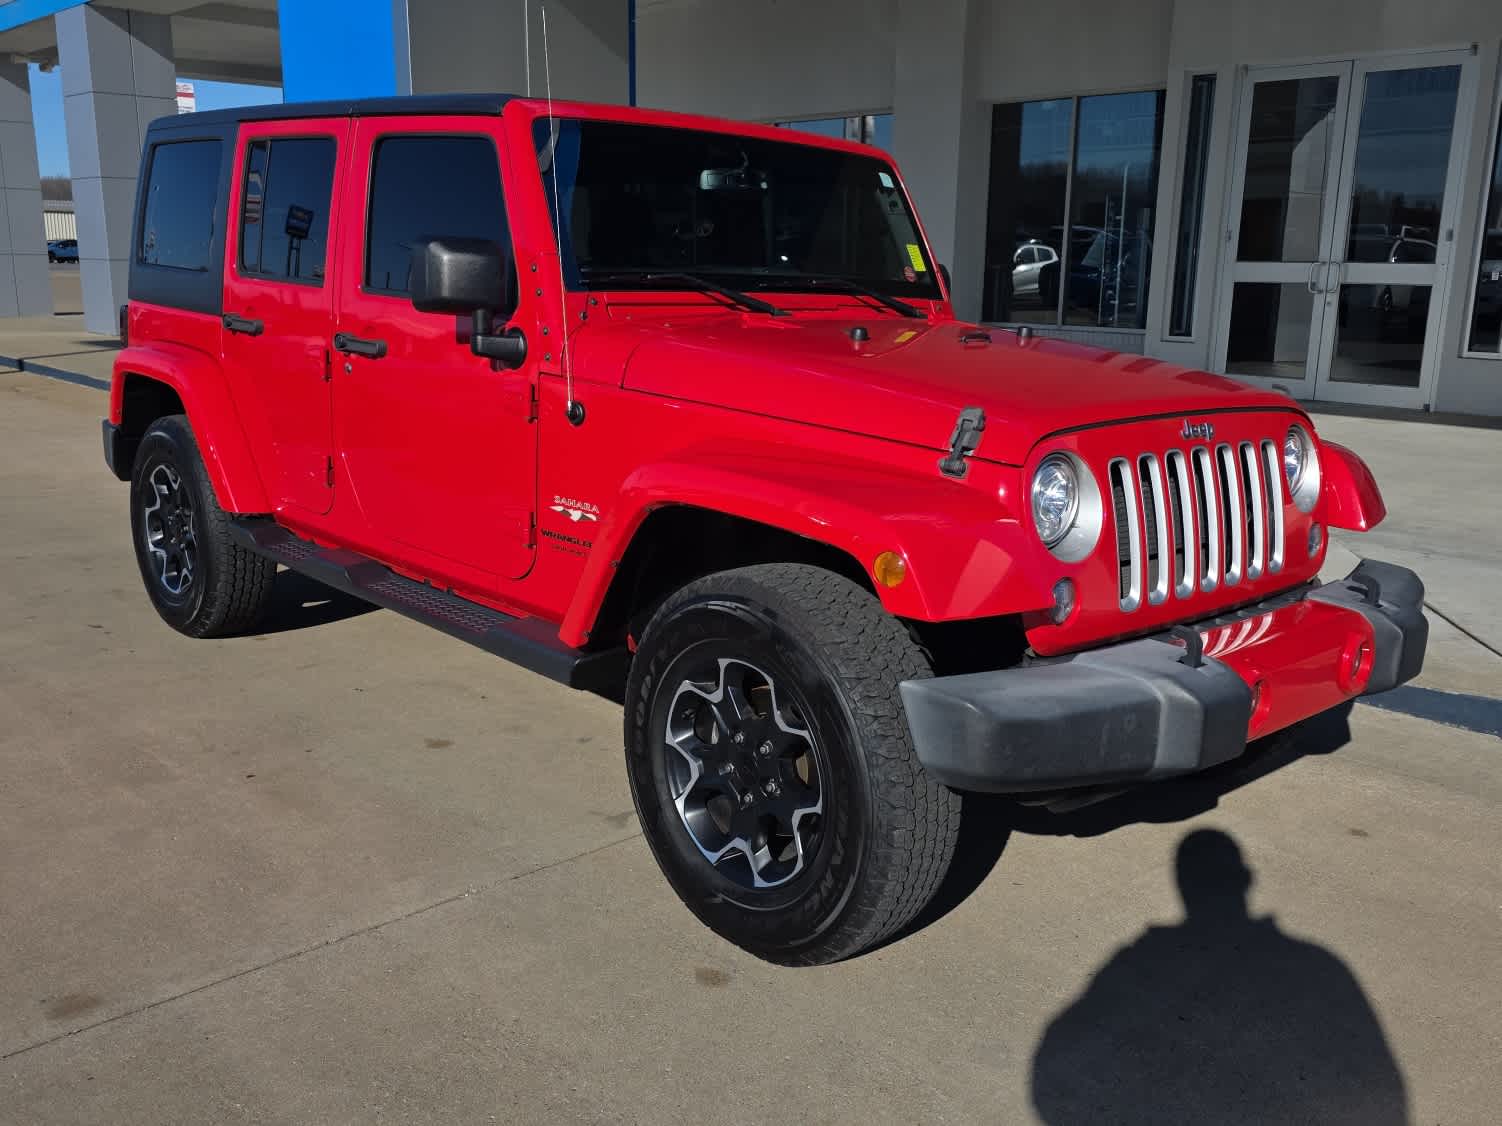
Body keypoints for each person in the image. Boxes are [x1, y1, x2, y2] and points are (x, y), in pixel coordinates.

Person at [1031, 829, 1408, 1124]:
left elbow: (1050, 1068)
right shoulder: (1322, 965)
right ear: (1247, 879)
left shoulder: (1141, 956)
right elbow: (1385, 1092)